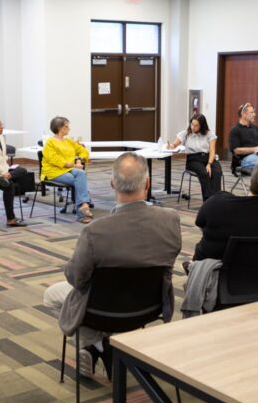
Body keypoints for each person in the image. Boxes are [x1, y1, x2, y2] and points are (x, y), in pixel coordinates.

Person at [43, 153, 181, 377]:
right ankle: (104, 344)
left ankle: (98, 343)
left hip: (101, 310)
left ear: (112, 184)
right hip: (151, 306)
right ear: (147, 184)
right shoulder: (171, 220)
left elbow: (76, 279)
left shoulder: (95, 231)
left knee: (51, 295)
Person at [41, 116, 93, 223]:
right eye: (66, 126)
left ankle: (83, 206)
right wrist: (74, 165)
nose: (69, 128)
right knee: (78, 180)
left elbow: (83, 151)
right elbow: (55, 160)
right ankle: (83, 209)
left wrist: (79, 159)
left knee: (81, 174)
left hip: (68, 169)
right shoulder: (50, 143)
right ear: (60, 128)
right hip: (52, 171)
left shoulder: (69, 141)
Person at [169, 114, 223, 201]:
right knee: (205, 173)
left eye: (196, 125)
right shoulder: (186, 134)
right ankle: (208, 201)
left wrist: (209, 164)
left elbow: (212, 151)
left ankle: (216, 200)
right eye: (192, 124)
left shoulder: (209, 135)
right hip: (193, 160)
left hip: (208, 158)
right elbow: (174, 144)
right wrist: (170, 146)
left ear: (202, 126)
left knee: (217, 172)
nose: (193, 127)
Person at [227, 102, 258, 174]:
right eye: (251, 112)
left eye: (254, 112)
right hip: (246, 159)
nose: (254, 115)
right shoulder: (235, 130)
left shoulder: (256, 128)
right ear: (243, 114)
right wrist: (254, 149)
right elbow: (236, 151)